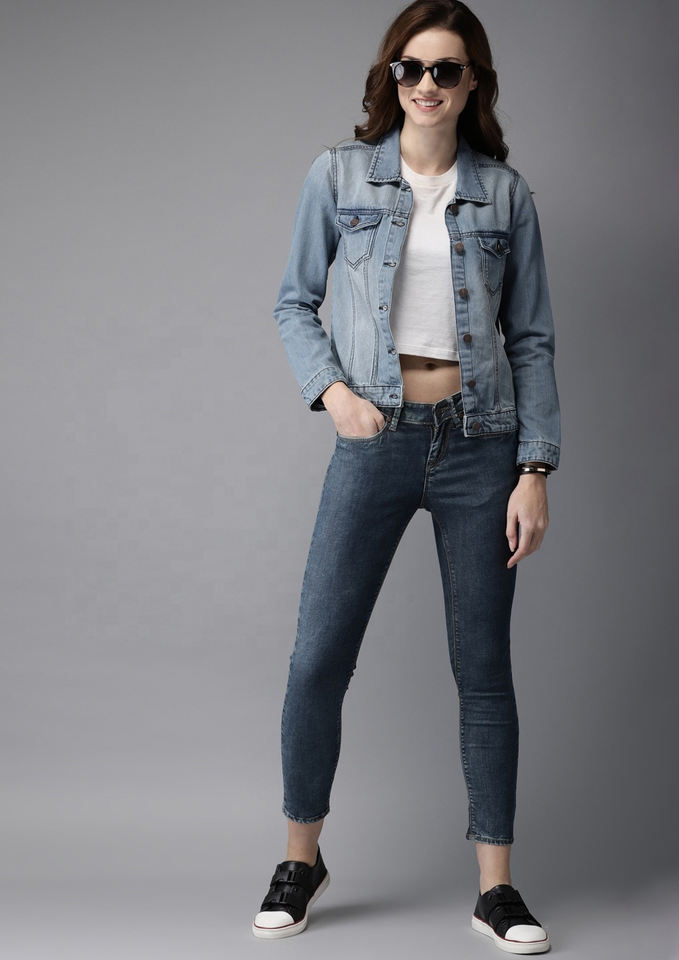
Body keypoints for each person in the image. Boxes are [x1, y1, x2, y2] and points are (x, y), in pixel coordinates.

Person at [251, 0, 560, 954]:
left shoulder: (505, 195)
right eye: (411, 68)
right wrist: (332, 392)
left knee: (483, 670)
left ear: (474, 84)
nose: (428, 85)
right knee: (318, 659)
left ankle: (496, 889)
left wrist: (535, 466)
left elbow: (532, 339)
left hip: (482, 444)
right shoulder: (339, 176)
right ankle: (301, 860)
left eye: (447, 69)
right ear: (391, 78)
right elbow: (293, 302)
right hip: (376, 437)